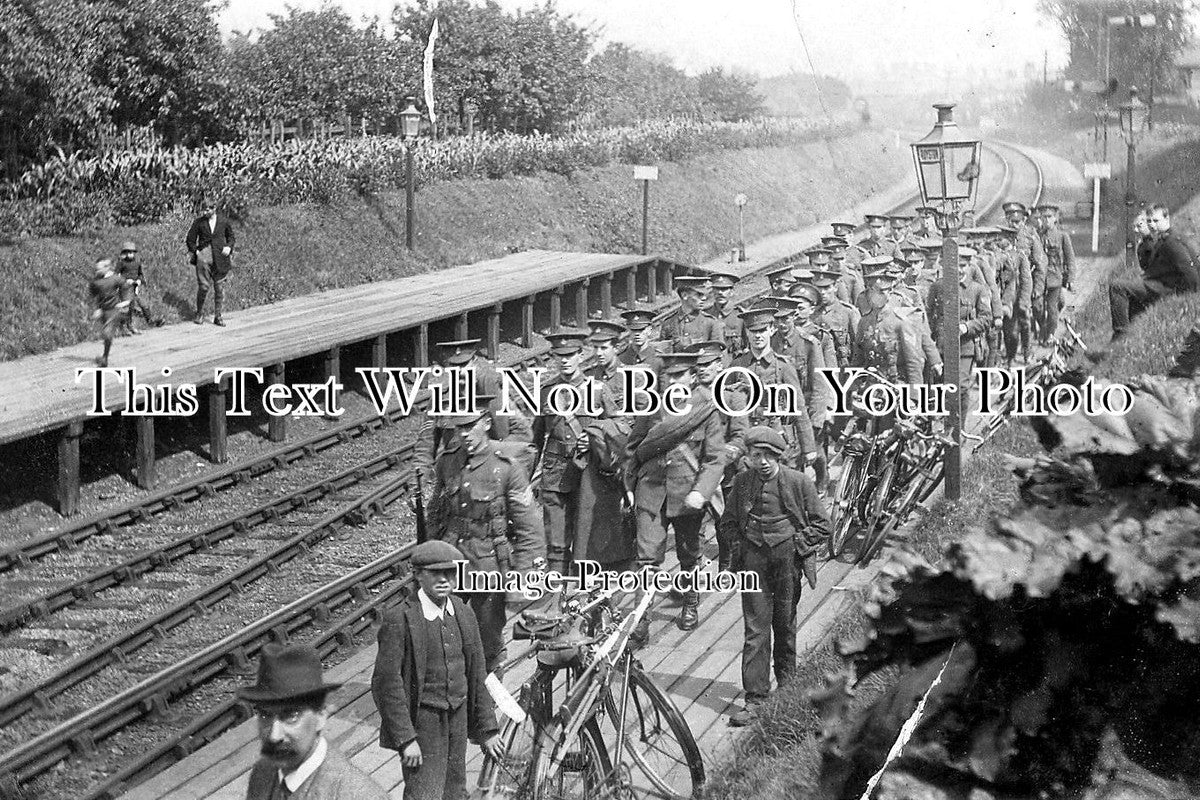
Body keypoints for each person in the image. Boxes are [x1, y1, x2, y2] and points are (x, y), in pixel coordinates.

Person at [372, 541, 504, 800]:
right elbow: (386, 683)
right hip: (424, 722)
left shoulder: (464, 613)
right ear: (418, 575)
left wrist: (487, 728)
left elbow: (477, 674)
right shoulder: (400, 618)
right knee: (424, 791)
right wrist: (406, 739)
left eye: (450, 573)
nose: (444, 580)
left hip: (458, 716)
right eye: (436, 574)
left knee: (456, 790)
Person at [425, 397, 546, 673]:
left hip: (489, 563)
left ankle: (489, 698)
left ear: (487, 423)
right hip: (453, 560)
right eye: (459, 428)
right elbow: (437, 513)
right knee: (444, 631)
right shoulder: (448, 463)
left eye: (470, 426)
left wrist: (526, 572)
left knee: (488, 637)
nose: (464, 434)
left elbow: (529, 526)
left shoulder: (506, 467)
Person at [724, 427, 830, 727]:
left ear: (779, 457)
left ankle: (788, 688)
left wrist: (798, 544)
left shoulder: (799, 481)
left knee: (784, 623)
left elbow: (824, 524)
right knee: (755, 628)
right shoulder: (742, 483)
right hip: (754, 560)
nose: (763, 462)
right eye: (757, 455)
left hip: (787, 558)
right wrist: (742, 546)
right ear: (749, 457)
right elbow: (728, 523)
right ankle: (756, 698)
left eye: (769, 455)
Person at [624, 352, 726, 639]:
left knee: (689, 554)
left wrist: (701, 491)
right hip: (651, 491)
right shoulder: (651, 408)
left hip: (686, 493)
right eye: (668, 376)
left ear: (692, 378)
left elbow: (715, 458)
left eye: (679, 375)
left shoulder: (706, 411)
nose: (672, 381)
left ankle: (690, 602)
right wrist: (629, 487)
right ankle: (641, 619)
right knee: (647, 559)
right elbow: (633, 450)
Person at [242, 643, 388, 800]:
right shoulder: (262, 772)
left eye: (291, 716)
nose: (274, 735)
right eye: (265, 715)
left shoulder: (357, 795)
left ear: (321, 716)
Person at [1109, 203, 1199, 340]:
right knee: (1133, 297)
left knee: (1117, 286)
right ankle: (1128, 338)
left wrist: (1188, 298)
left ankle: (1121, 334)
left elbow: (1190, 271)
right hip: (1158, 284)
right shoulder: (1165, 238)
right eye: (1150, 221)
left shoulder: (1171, 242)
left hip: (1164, 288)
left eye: (1156, 221)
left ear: (1166, 219)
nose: (1152, 225)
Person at [926, 247, 993, 418]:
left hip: (965, 346)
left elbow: (986, 318)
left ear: (969, 266)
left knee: (961, 387)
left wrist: (966, 327)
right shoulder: (938, 286)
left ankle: (958, 429)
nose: (959, 269)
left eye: (963, 265)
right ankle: (944, 426)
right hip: (942, 346)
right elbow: (929, 315)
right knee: (942, 386)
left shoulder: (977, 289)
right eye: (955, 265)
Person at [186, 197, 236, 326]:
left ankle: (218, 316)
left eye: (208, 209)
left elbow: (231, 237)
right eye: (203, 209)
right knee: (203, 287)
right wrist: (197, 252)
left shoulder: (223, 221)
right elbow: (190, 239)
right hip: (204, 257)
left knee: (219, 288)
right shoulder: (199, 222)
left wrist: (228, 247)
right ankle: (199, 314)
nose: (205, 212)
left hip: (220, 257)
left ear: (214, 208)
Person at [1035, 204, 1075, 345]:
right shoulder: (1037, 235)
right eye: (1043, 217)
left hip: (1054, 278)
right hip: (1039, 279)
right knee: (1037, 308)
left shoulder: (1062, 236)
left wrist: (1070, 278)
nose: (1046, 220)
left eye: (1049, 217)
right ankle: (1043, 328)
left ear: (1055, 219)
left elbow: (1070, 258)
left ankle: (1049, 335)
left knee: (1052, 310)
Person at [659, 275, 724, 349]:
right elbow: (662, 353)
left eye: (704, 294)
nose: (704, 298)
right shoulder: (669, 323)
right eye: (699, 294)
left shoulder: (710, 322)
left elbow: (716, 354)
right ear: (684, 295)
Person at [115, 240, 163, 333]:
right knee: (128, 308)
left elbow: (140, 274)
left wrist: (139, 280)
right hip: (126, 287)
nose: (130, 255)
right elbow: (116, 275)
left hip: (136, 286)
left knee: (143, 304)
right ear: (124, 253)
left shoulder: (137, 262)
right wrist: (125, 280)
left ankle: (150, 320)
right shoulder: (121, 263)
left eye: (131, 252)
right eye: (127, 252)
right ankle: (125, 327)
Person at [88, 259, 126, 368]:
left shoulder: (115, 279)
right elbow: (94, 296)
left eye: (98, 269)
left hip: (114, 310)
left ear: (107, 267)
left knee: (107, 332)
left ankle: (104, 358)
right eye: (96, 269)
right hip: (103, 310)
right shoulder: (96, 282)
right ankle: (104, 356)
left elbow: (126, 289)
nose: (96, 270)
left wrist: (125, 302)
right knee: (106, 334)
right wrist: (97, 309)